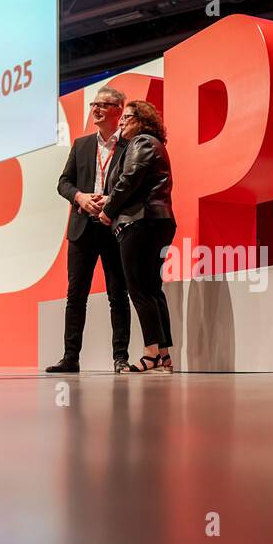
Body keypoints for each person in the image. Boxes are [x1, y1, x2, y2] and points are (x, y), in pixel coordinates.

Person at [49, 86, 133, 373]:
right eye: (93, 104)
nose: (95, 109)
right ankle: (70, 358)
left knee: (118, 294)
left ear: (118, 110)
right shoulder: (81, 144)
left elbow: (133, 186)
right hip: (82, 228)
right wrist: (80, 197)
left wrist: (111, 202)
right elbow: (63, 183)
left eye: (103, 104)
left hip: (114, 227)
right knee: (76, 296)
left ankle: (120, 358)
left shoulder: (130, 146)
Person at [98, 100, 176, 373]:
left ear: (142, 120)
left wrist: (108, 209)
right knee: (153, 289)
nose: (121, 122)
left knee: (139, 289)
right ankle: (164, 355)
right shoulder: (152, 143)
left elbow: (129, 180)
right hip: (156, 221)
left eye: (127, 118)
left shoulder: (141, 142)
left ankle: (150, 353)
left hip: (140, 223)